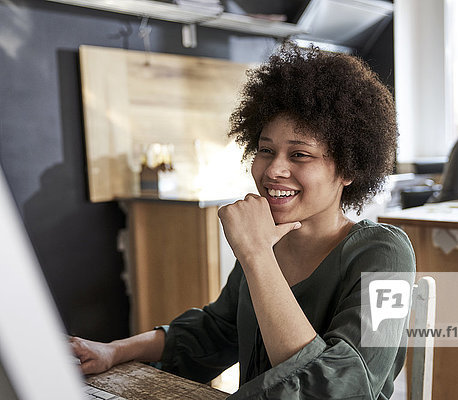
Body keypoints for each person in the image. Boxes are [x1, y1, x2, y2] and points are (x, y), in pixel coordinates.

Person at [70, 43, 416, 399]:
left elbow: (342, 390)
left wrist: (257, 254)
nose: (274, 169)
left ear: (349, 169)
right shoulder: (268, 242)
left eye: (299, 154)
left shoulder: (386, 256)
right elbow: (213, 331)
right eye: (266, 150)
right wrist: (114, 351)